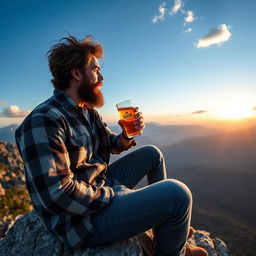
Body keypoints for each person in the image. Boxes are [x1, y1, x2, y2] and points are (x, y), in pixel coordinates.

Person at [15, 34, 208, 256]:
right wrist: (113, 195)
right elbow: (57, 196)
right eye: (95, 70)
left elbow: (111, 145)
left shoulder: (86, 111)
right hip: (81, 221)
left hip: (100, 184)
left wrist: (126, 135)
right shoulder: (44, 121)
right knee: (178, 194)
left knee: (152, 154)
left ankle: (164, 235)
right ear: (76, 73)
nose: (102, 77)